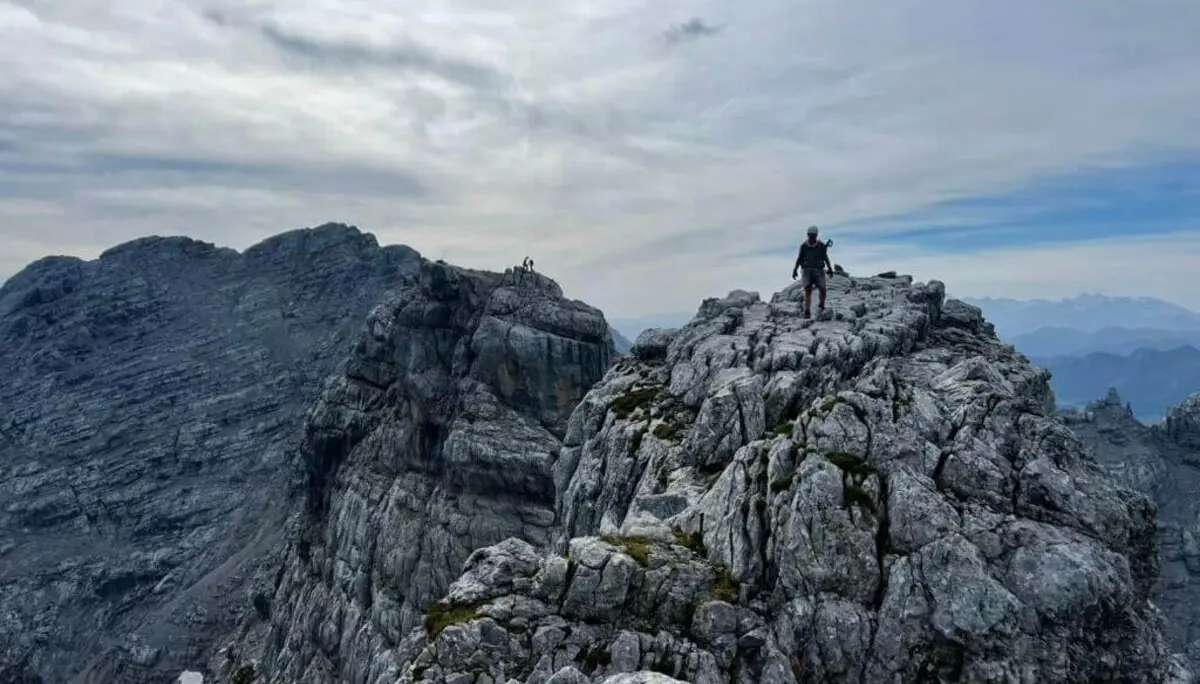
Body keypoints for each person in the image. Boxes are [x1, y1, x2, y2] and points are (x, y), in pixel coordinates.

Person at [791, 225, 833, 318]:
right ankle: (807, 311)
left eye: (813, 235)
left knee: (823, 289)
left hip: (818, 270)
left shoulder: (821, 245)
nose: (811, 237)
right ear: (807, 235)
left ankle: (821, 305)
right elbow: (799, 258)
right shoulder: (804, 246)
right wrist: (795, 270)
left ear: (816, 235)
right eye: (810, 235)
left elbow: (825, 257)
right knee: (808, 290)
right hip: (807, 270)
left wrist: (830, 268)